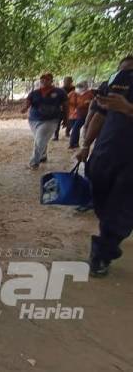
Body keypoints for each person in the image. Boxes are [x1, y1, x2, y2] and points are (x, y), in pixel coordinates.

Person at [75, 55, 133, 277]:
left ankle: (103, 253)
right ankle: (109, 232)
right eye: (124, 70)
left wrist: (128, 108)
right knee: (102, 203)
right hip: (104, 154)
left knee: (121, 208)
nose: (127, 75)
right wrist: (86, 145)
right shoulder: (112, 88)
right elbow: (99, 116)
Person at [21, 73, 68, 170]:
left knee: (40, 139)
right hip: (33, 120)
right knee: (40, 139)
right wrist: (25, 108)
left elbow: (66, 106)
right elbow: (28, 102)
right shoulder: (35, 92)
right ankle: (43, 156)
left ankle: (34, 163)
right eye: (42, 79)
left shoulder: (60, 92)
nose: (44, 81)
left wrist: (66, 119)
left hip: (51, 120)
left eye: (47, 79)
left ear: (51, 80)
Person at [68, 81, 94, 149]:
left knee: (75, 128)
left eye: (82, 87)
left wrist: (89, 102)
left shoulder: (89, 94)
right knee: (75, 129)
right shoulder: (72, 93)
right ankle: (76, 143)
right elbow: (66, 101)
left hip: (83, 114)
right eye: (79, 87)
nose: (80, 88)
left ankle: (72, 143)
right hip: (72, 114)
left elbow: (94, 103)